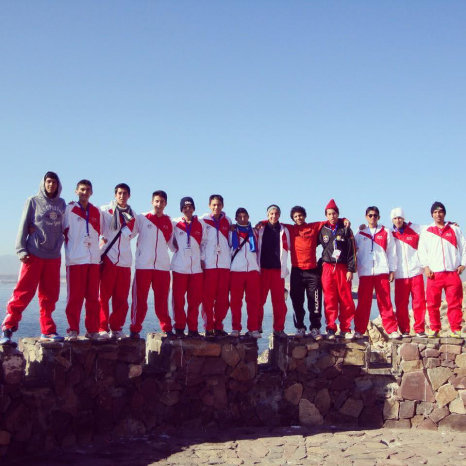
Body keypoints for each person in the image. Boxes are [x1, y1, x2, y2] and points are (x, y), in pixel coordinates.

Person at [1, 172, 66, 346]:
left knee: (49, 296)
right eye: (48, 181)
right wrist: (21, 250)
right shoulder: (33, 201)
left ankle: (48, 330)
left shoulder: (61, 203)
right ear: (43, 183)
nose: (51, 185)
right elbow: (23, 225)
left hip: (53, 256)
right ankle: (8, 328)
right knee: (23, 292)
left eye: (54, 182)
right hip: (34, 254)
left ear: (58, 185)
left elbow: (64, 227)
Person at [418, 201, 466, 338]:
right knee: (432, 303)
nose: (438, 214)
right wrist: (426, 267)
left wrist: (463, 264)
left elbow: (464, 247)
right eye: (435, 212)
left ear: (444, 213)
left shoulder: (454, 229)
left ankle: (455, 329)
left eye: (440, 212)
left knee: (455, 303)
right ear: (432, 215)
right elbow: (422, 251)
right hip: (434, 273)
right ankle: (434, 328)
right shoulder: (427, 231)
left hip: (452, 272)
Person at [130, 190, 174, 339]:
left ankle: (167, 328)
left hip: (162, 267)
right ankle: (135, 329)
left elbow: (174, 245)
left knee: (162, 301)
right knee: (140, 301)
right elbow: (128, 233)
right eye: (156, 201)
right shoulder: (142, 218)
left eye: (162, 202)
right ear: (152, 202)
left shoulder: (169, 222)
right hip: (144, 266)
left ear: (166, 204)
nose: (159, 204)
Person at [63, 179, 103, 340]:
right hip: (76, 260)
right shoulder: (69, 209)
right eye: (82, 189)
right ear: (76, 191)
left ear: (91, 192)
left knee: (93, 298)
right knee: (75, 298)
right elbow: (60, 230)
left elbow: (102, 234)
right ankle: (73, 329)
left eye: (87, 190)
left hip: (93, 261)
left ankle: (92, 330)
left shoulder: (96, 211)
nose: (84, 193)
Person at [354, 206, 400, 339]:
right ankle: (359, 330)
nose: (372, 217)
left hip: (381, 272)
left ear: (379, 217)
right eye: (370, 215)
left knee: (385, 302)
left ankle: (392, 330)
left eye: (375, 215)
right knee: (363, 303)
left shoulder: (386, 231)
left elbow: (392, 252)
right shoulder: (360, 233)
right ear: (366, 216)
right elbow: (353, 251)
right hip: (365, 273)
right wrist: (353, 267)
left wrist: (392, 270)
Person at [98, 183, 136, 340]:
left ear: (129, 195)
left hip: (125, 260)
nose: (122, 196)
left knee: (121, 298)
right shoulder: (105, 210)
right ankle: (102, 327)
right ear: (115, 194)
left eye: (125, 193)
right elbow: (98, 229)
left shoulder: (132, 214)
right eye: (119, 193)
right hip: (109, 258)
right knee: (104, 296)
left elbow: (131, 234)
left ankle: (117, 327)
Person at [285, 206, 325, 340]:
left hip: (312, 272)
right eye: (295, 216)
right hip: (296, 271)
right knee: (297, 301)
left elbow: (329, 221)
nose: (298, 218)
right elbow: (273, 221)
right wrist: (261, 223)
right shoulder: (290, 229)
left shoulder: (313, 227)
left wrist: (344, 219)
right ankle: (300, 327)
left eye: (300, 215)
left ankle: (315, 328)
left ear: (305, 215)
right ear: (293, 218)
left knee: (315, 302)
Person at [318, 199, 356, 340]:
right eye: (329, 214)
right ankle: (331, 327)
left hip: (342, 267)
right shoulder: (322, 229)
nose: (332, 216)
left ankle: (346, 328)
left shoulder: (345, 228)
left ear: (338, 214)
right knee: (329, 299)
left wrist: (350, 269)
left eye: (334, 213)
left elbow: (352, 250)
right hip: (327, 267)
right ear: (326, 215)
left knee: (346, 299)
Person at [390, 207, 427, 337]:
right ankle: (404, 329)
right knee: (401, 304)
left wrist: (449, 224)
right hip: (400, 274)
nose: (398, 220)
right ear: (392, 220)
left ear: (403, 218)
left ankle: (419, 329)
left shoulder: (415, 229)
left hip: (416, 271)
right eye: (395, 218)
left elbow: (433, 228)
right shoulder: (390, 234)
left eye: (400, 218)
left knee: (419, 302)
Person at [171, 197, 205, 338]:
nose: (188, 209)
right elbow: (170, 242)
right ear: (181, 209)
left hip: (196, 269)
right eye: (185, 207)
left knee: (194, 301)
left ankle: (193, 329)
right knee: (178, 299)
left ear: (194, 208)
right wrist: (177, 251)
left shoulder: (200, 224)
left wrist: (201, 259)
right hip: (179, 268)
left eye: (190, 206)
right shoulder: (175, 223)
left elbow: (204, 244)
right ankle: (179, 328)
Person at [200, 194, 232, 337]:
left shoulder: (228, 220)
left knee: (223, 299)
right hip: (209, 265)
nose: (216, 207)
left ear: (222, 206)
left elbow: (231, 242)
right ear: (209, 205)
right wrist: (201, 259)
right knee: (207, 298)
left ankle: (219, 326)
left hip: (225, 265)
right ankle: (208, 327)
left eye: (218, 205)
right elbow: (200, 242)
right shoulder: (203, 220)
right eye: (213, 205)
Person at [257, 205, 291, 337]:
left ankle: (278, 328)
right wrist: (262, 222)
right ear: (267, 215)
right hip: (263, 270)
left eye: (276, 213)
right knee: (259, 301)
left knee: (279, 303)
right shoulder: (260, 228)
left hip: (278, 271)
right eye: (271, 213)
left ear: (279, 215)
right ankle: (257, 326)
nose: (273, 216)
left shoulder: (285, 229)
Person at [229, 208, 261, 338]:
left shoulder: (255, 231)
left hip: (252, 270)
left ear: (248, 217)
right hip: (236, 270)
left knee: (253, 301)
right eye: (240, 217)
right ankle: (236, 328)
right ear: (236, 218)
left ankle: (253, 328)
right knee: (236, 302)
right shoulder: (230, 232)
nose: (243, 219)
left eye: (245, 216)